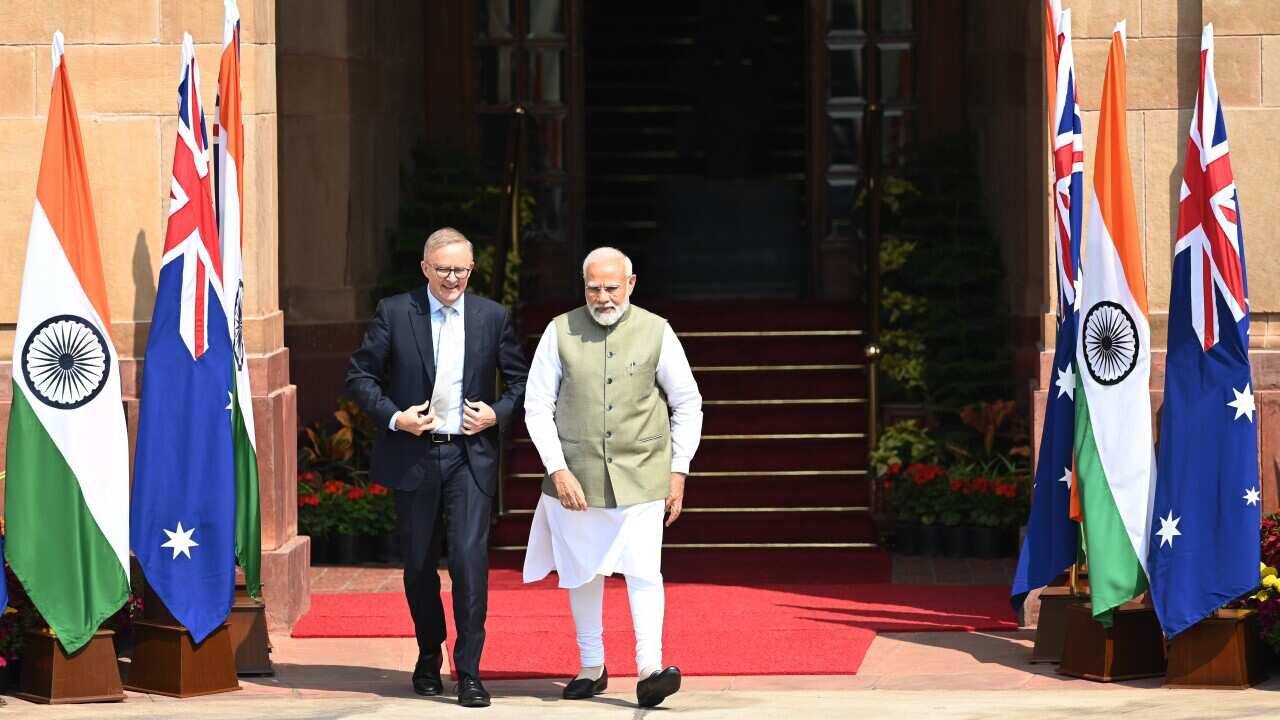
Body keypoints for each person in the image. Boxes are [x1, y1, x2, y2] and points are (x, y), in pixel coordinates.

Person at [347, 227, 528, 708]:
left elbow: (520, 381)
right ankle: (430, 654)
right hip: (416, 454)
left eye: (462, 270)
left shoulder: (492, 316)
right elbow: (360, 374)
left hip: (470, 455)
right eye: (444, 269)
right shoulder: (395, 311)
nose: (453, 278)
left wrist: (497, 412)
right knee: (419, 564)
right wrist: (394, 417)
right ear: (425, 268)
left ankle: (469, 670)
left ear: (472, 269)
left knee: (470, 561)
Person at [522, 246, 703, 708]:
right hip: (576, 479)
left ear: (631, 284)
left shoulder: (657, 331)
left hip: (642, 475)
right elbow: (536, 405)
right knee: (582, 573)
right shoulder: (558, 330)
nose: (602, 297)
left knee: (644, 571)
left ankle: (649, 669)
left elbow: (687, 402)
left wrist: (678, 470)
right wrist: (557, 469)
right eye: (593, 288)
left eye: (611, 287)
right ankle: (591, 665)